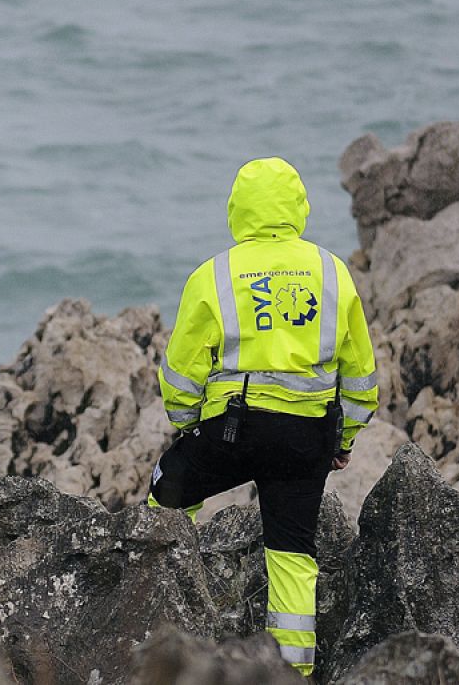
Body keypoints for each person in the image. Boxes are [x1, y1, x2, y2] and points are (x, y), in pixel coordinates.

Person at [147, 157, 378, 678]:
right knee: (294, 555)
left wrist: (189, 428)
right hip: (305, 439)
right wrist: (345, 439)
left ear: (238, 209)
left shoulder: (216, 274)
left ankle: (150, 617)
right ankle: (292, 674)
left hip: (232, 432)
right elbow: (360, 373)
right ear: (299, 206)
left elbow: (182, 372)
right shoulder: (331, 271)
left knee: (167, 495)